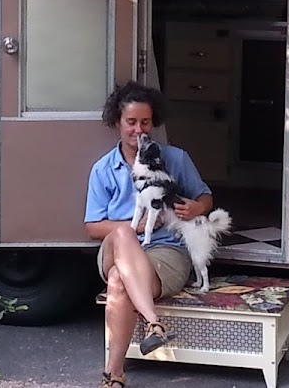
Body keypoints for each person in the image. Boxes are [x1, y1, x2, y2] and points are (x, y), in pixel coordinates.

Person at [84, 81, 216, 388]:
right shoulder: (103, 169)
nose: (139, 130)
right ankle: (153, 321)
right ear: (117, 122)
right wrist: (138, 227)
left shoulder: (175, 158)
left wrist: (196, 208)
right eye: (131, 122)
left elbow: (206, 198)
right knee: (124, 234)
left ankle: (114, 375)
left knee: (118, 280)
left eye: (145, 122)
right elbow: (92, 227)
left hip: (166, 252)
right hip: (117, 247)